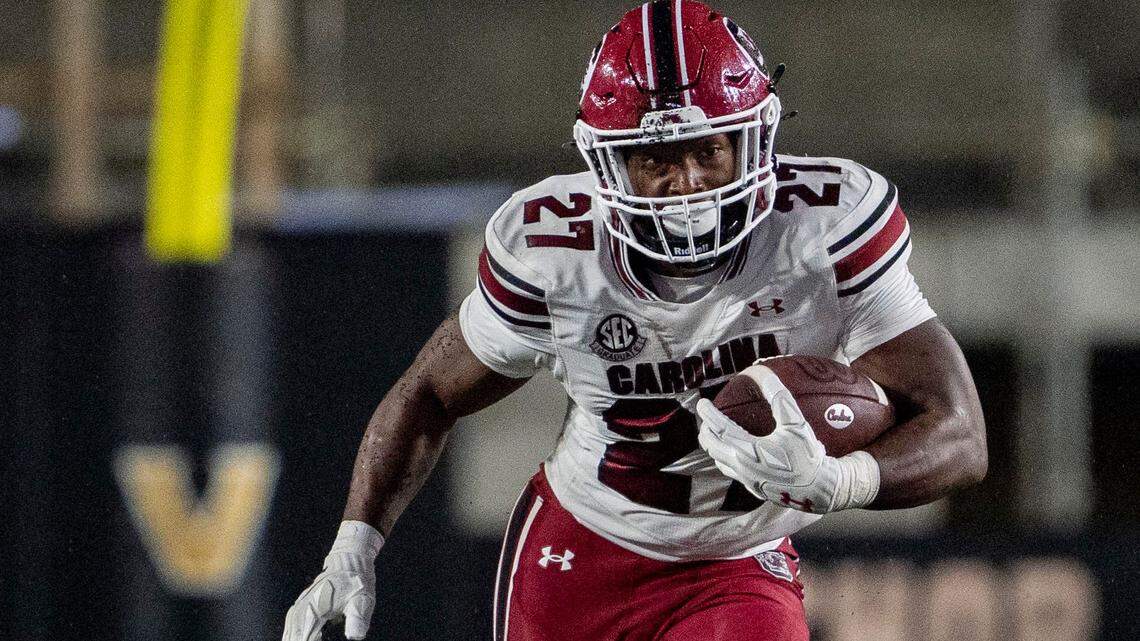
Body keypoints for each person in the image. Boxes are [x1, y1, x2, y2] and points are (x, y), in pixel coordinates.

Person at [281, 1, 987, 639]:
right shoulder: (554, 256)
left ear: (754, 141)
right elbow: (430, 392)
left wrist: (844, 480)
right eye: (656, 159)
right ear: (608, 164)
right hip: (582, 550)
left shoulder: (825, 231)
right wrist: (354, 545)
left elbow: (960, 430)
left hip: (734, 563)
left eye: (707, 151)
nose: (687, 187)